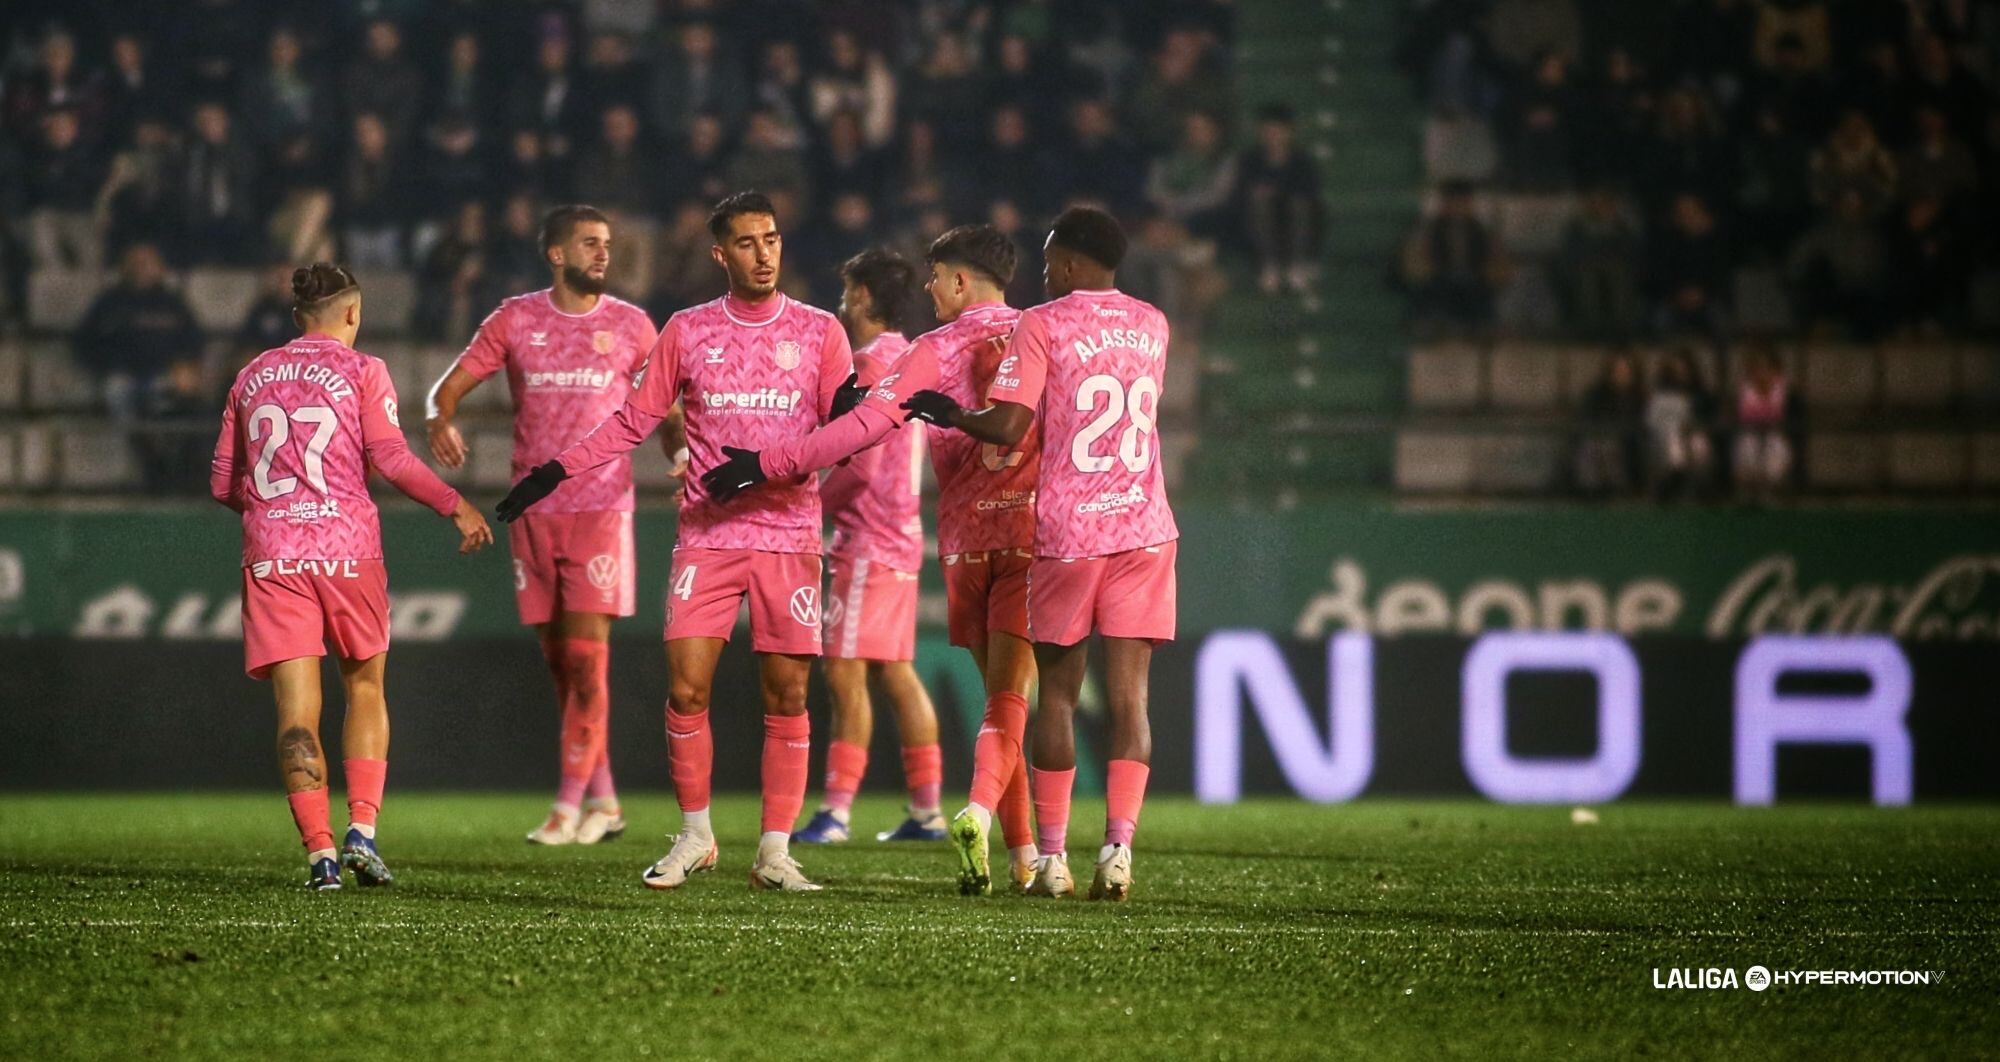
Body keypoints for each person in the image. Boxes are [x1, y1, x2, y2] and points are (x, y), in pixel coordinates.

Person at [495, 191, 853, 893]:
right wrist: (554, 470)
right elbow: (633, 422)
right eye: (747, 243)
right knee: (687, 688)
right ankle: (696, 835)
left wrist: (783, 467)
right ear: (721, 255)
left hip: (788, 536)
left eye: (772, 239)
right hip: (708, 538)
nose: (763, 254)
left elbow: (844, 434)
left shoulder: (820, 332)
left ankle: (774, 852)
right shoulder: (687, 331)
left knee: (787, 693)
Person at [699, 225, 1046, 894]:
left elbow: (859, 443)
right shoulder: (1042, 332)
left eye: (937, 273)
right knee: (998, 697)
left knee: (855, 676)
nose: (928, 286)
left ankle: (839, 811)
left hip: (925, 540)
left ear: (958, 280)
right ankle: (1035, 851)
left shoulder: (914, 354)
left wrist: (774, 474)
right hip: (1023, 536)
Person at [900, 207, 1177, 901]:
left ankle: (1051, 858)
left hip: (1069, 532)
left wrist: (948, 411)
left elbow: (1011, 422)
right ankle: (1117, 850)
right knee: (1130, 701)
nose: (1045, 270)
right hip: (1145, 527)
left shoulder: (1044, 323)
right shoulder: (1153, 323)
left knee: (1054, 694)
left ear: (1077, 262)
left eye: (1053, 258)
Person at [209, 263, 493, 890]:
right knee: (364, 688)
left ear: (296, 317)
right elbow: (388, 457)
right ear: (352, 314)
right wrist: (456, 504)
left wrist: (275, 516)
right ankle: (362, 832)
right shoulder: (363, 370)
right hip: (347, 550)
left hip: (274, 556)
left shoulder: (251, 374)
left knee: (296, 712)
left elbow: (221, 481)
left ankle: (320, 858)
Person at [426, 206, 661, 846]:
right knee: (562, 665)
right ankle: (606, 802)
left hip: (602, 509)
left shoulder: (632, 325)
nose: (603, 253)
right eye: (590, 243)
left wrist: (683, 452)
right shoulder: (515, 318)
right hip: (533, 511)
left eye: (607, 243)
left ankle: (565, 807)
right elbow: (445, 391)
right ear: (556, 254)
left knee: (588, 663)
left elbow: (666, 400)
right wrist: (439, 419)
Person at [788, 250, 949, 846]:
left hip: (868, 538)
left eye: (847, 289)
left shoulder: (865, 364)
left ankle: (834, 814)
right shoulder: (915, 360)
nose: (841, 301)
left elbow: (860, 461)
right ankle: (928, 812)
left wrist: (808, 507)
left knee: (846, 674)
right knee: (894, 673)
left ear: (860, 297)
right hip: (902, 536)